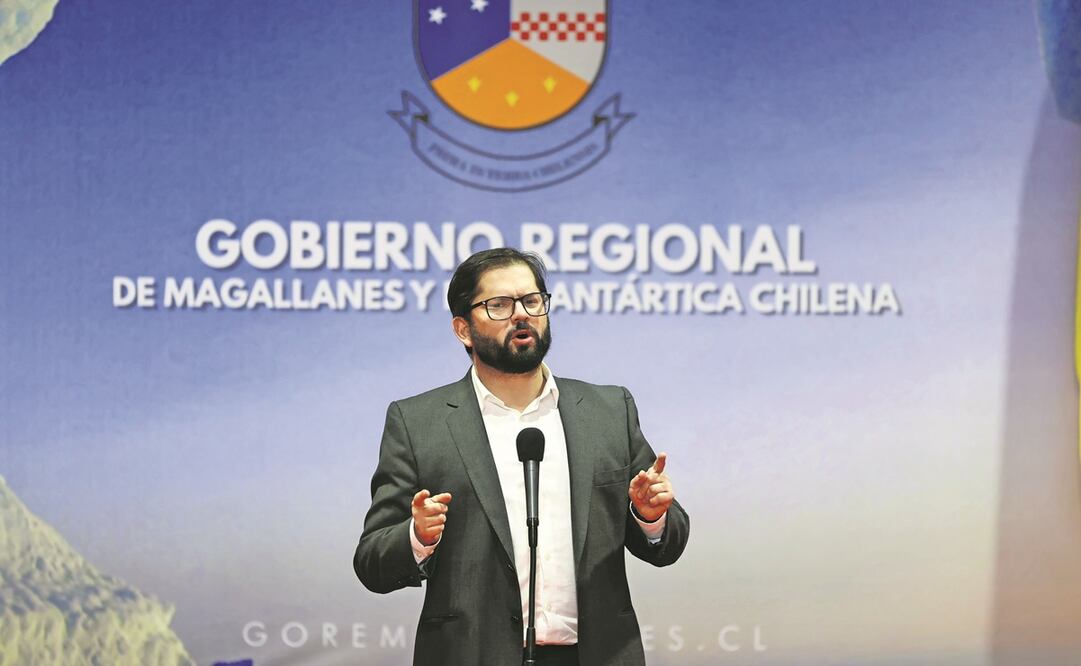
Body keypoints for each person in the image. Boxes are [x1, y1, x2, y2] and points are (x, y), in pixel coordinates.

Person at [353, 247, 690, 665]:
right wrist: (418, 536)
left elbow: (668, 542)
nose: (521, 314)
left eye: (532, 301)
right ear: (463, 329)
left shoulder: (608, 410)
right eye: (498, 305)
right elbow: (372, 562)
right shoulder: (418, 422)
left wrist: (651, 514)